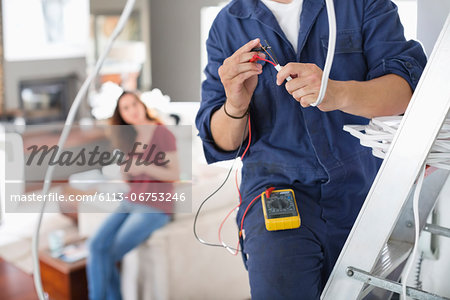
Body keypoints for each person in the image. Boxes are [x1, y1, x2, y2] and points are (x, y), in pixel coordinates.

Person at [195, 0, 427, 298]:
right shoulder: (228, 24)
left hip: (364, 192)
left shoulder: (363, 5)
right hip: (275, 191)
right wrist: (235, 104)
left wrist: (336, 92)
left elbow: (407, 93)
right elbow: (223, 140)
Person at [86, 91, 179, 300]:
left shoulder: (161, 132)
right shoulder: (129, 136)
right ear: (122, 115)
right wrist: (126, 170)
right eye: (125, 108)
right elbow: (130, 180)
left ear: (142, 105)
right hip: (131, 201)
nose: (131, 111)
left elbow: (174, 174)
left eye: (133, 105)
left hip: (155, 207)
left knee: (107, 255)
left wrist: (144, 166)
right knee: (95, 246)